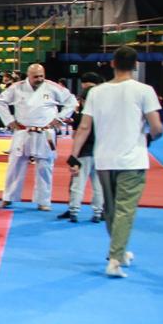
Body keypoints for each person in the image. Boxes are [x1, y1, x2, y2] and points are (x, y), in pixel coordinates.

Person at [70, 46, 163, 278]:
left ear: (112, 63)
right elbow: (157, 127)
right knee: (124, 210)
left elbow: (84, 127)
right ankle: (114, 258)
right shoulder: (145, 90)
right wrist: (150, 136)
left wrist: (73, 155)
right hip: (132, 159)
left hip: (104, 159)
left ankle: (119, 252)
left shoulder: (96, 93)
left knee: (112, 211)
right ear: (135, 65)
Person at [0, 64, 77, 212]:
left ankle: (43, 201)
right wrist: (9, 120)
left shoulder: (53, 87)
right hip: (23, 130)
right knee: (15, 165)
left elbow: (72, 102)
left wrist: (60, 118)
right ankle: (8, 197)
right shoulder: (17, 87)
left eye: (41, 76)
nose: (39, 79)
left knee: (45, 166)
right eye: (35, 76)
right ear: (28, 75)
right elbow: (0, 101)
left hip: (45, 132)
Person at [61, 72, 104, 223]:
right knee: (98, 185)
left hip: (84, 153)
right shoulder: (104, 115)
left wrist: (73, 156)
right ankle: (98, 213)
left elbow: (77, 135)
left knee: (78, 184)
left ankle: (74, 211)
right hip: (101, 154)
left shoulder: (82, 116)